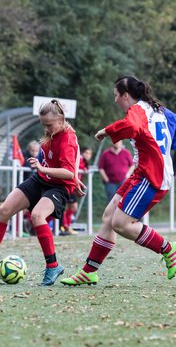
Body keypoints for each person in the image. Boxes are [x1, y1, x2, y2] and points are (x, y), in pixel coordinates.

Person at [61, 75, 176, 286]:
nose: (115, 100)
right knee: (108, 216)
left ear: (125, 95)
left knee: (121, 224)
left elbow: (131, 125)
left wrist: (107, 131)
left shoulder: (138, 110)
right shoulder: (162, 111)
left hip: (151, 175)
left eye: (116, 96)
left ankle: (168, 249)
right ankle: (89, 271)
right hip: (144, 172)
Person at [0, 99, 85, 286]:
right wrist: (43, 169)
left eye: (49, 125)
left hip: (58, 187)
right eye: (44, 125)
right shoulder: (52, 134)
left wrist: (44, 169)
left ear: (61, 119)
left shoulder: (68, 139)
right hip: (40, 181)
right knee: (4, 211)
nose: (46, 129)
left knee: (37, 216)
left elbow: (67, 172)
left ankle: (53, 267)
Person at [60, 147, 93, 235]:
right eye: (86, 153)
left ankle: (66, 226)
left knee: (72, 207)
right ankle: (64, 226)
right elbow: (76, 166)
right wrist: (84, 169)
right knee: (68, 207)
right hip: (69, 185)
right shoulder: (80, 159)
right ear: (82, 153)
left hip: (74, 186)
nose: (88, 155)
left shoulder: (85, 162)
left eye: (89, 154)